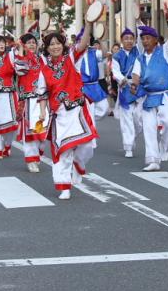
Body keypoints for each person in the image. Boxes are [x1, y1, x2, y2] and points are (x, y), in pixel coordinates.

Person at [38, 22, 98, 200]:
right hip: (59, 114)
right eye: (51, 44)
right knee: (62, 151)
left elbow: (83, 44)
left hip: (78, 110)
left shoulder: (71, 58)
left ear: (63, 45)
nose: (55, 47)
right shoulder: (44, 69)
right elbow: (42, 93)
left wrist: (88, 24)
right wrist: (42, 112)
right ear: (47, 49)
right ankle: (64, 186)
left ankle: (79, 164)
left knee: (87, 146)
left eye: (58, 43)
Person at [130, 22, 168, 172]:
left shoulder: (164, 51)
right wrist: (134, 85)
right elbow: (136, 75)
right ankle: (153, 160)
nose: (145, 41)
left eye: (148, 38)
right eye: (143, 38)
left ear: (155, 40)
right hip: (148, 96)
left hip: (165, 95)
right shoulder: (139, 58)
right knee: (149, 128)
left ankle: (163, 147)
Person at [15, 33, 48, 172]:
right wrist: (21, 52)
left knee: (44, 130)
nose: (32, 45)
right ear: (23, 45)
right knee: (31, 130)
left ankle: (38, 152)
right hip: (29, 99)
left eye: (34, 42)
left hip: (43, 98)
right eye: (28, 43)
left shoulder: (42, 59)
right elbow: (21, 71)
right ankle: (31, 159)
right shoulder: (20, 59)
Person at [111, 28, 142, 158]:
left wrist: (139, 22)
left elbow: (142, 36)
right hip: (125, 87)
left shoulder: (139, 51)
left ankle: (133, 135)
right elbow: (115, 71)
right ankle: (128, 146)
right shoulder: (117, 56)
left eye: (131, 38)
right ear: (122, 41)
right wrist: (121, 79)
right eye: (126, 38)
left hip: (138, 86)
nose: (129, 41)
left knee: (139, 118)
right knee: (127, 119)